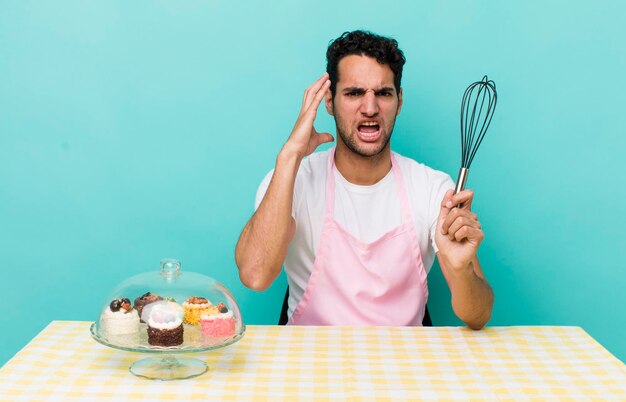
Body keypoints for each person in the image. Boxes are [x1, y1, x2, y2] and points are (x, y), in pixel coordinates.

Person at [235, 30, 494, 329]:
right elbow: (255, 275)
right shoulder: (292, 181)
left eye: (383, 93)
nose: (370, 108)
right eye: (354, 93)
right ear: (329, 102)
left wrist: (461, 270)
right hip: (309, 363)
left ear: (399, 101)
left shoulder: (432, 188)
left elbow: (478, 315)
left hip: (405, 362)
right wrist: (289, 156)